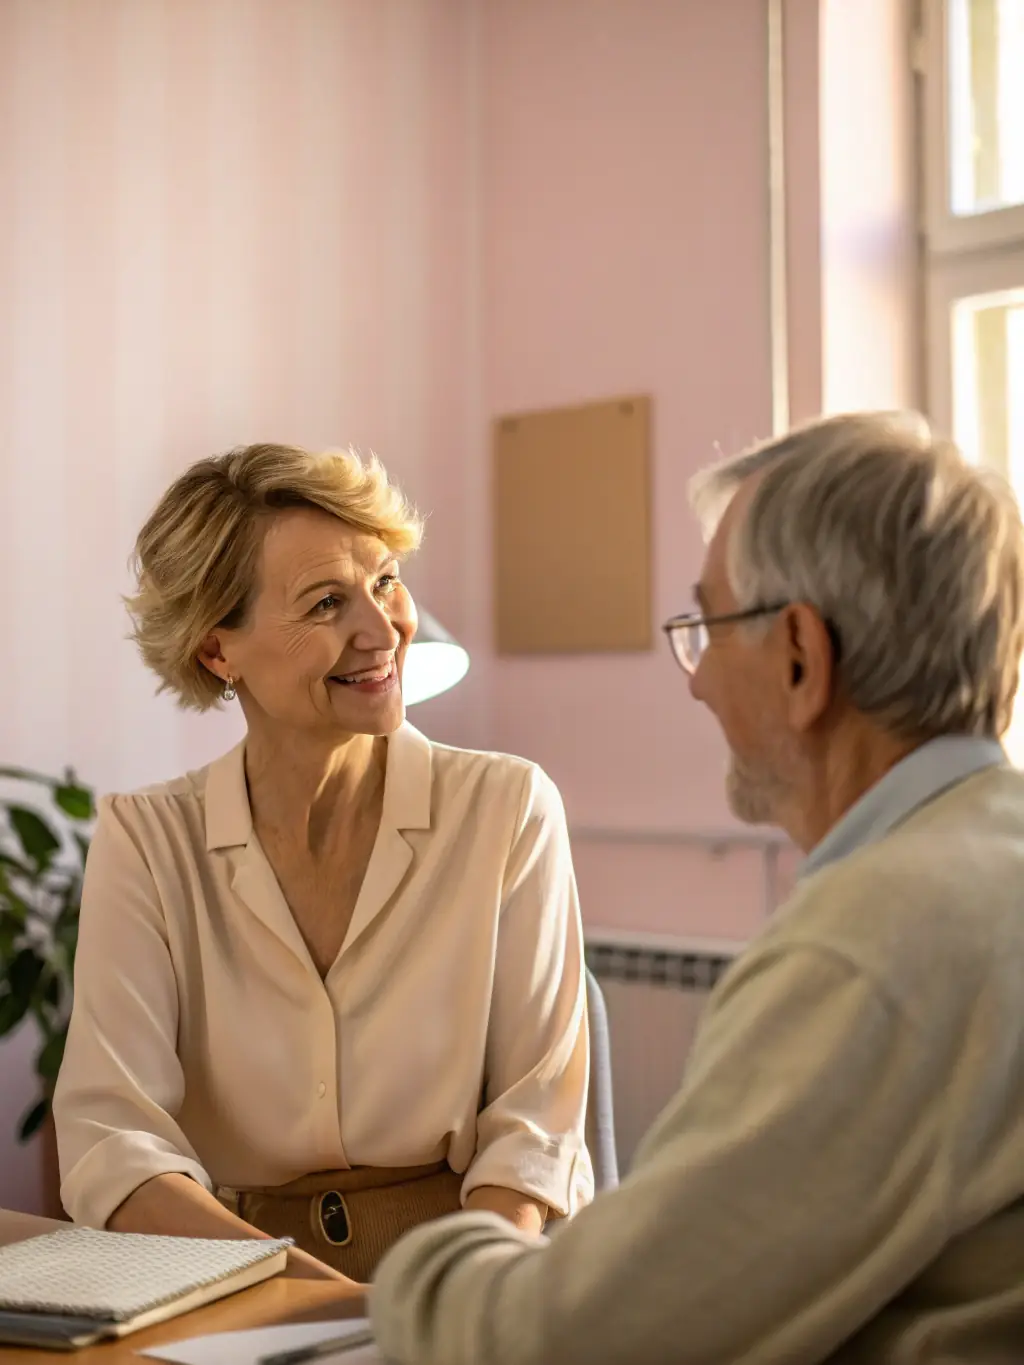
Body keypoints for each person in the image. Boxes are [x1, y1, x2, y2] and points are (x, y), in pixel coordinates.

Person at [367, 411, 1024, 1363]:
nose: (697, 682)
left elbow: (578, 1339)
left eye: (705, 628)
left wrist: (417, 1265)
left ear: (801, 656)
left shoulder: (874, 945)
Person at [53, 443, 592, 1284]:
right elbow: (112, 1139)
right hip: (225, 1275)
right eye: (327, 602)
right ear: (217, 651)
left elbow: (534, 1136)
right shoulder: (148, 841)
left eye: (385, 582)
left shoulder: (508, 808)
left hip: (471, 1271)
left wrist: (440, 1311)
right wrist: (313, 1305)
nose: (383, 632)